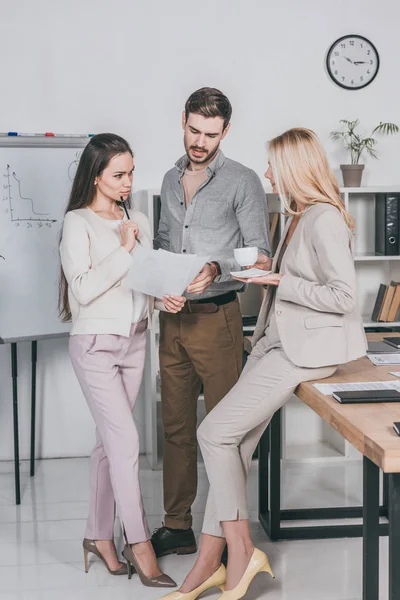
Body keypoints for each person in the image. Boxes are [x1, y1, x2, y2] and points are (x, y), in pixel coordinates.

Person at [159, 128, 367, 600]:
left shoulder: (324, 219)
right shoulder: (295, 216)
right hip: (273, 343)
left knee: (212, 433)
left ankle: (241, 549)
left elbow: (343, 297)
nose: (268, 173)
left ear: (295, 168)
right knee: (233, 447)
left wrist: (275, 279)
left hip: (301, 352)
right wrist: (261, 275)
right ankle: (209, 566)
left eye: (274, 165)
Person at [59, 133, 185, 588]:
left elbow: (140, 284)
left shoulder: (138, 219)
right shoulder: (78, 222)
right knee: (126, 442)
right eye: (119, 174)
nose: (129, 181)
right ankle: (139, 544)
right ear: (96, 176)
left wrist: (161, 300)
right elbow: (85, 290)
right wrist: (125, 248)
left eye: (131, 171)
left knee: (108, 445)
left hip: (134, 341)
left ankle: (98, 536)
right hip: (94, 344)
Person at [151, 87, 272, 559]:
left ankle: (227, 534)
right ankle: (177, 525)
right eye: (194, 131)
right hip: (173, 320)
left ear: (225, 131)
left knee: (224, 434)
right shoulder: (168, 178)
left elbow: (261, 252)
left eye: (211, 134)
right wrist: (164, 285)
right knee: (176, 428)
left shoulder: (241, 181)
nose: (200, 142)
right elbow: (163, 242)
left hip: (218, 321)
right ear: (183, 121)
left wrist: (215, 268)